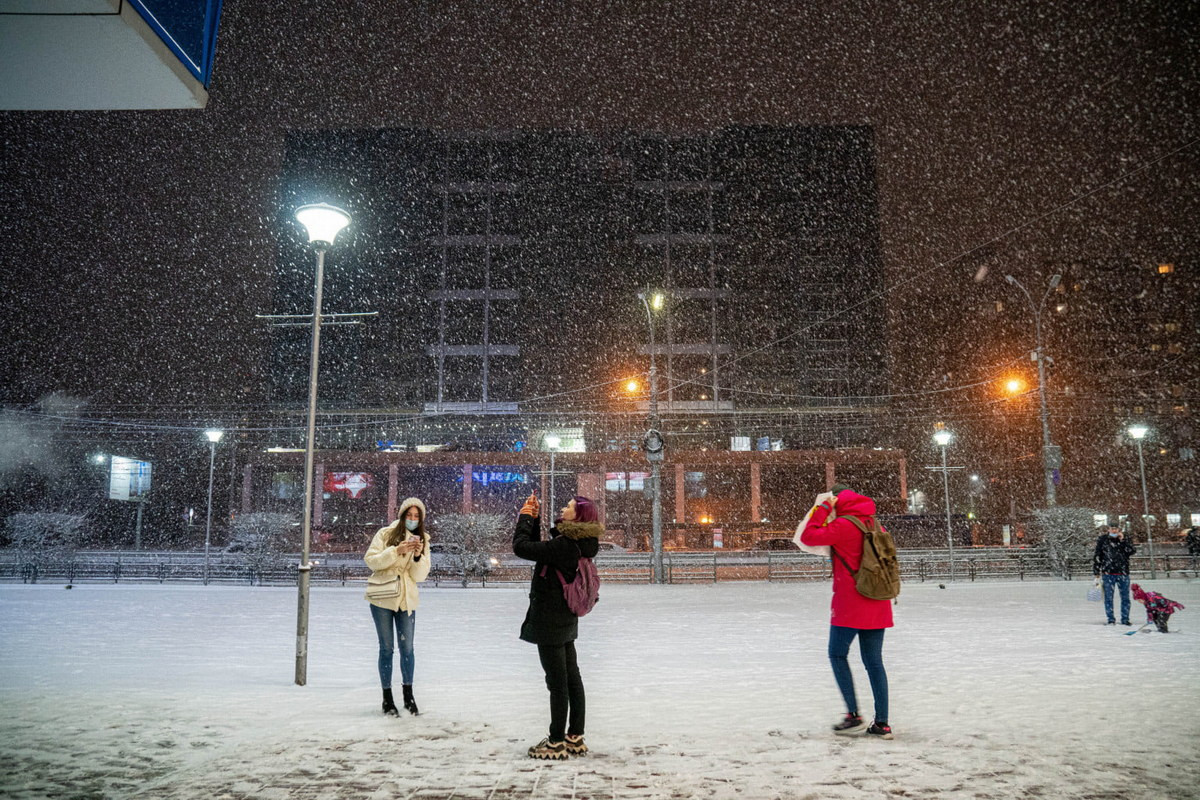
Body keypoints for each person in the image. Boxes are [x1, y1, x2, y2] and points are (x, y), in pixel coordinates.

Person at [800, 483, 894, 740]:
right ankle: (882, 723)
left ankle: (853, 715)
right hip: (878, 599)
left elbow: (809, 536)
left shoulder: (844, 525)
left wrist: (821, 510)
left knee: (837, 654)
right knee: (874, 662)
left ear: (836, 501)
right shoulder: (875, 524)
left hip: (851, 603)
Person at [513, 491, 601, 760]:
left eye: (570, 506)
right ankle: (575, 736)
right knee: (571, 677)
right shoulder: (578, 543)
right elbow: (540, 548)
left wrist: (525, 517)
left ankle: (555, 741)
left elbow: (521, 547)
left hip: (550, 620)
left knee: (558, 683)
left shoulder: (564, 546)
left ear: (579, 516)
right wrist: (535, 517)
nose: (565, 506)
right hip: (565, 619)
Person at [364, 497, 431, 716]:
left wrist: (418, 555)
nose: (412, 519)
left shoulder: (423, 539)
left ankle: (408, 696)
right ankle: (387, 699)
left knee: (408, 649)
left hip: (406, 599)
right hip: (382, 597)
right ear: (402, 516)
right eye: (409, 515)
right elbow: (371, 561)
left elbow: (419, 576)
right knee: (386, 648)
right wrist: (396, 550)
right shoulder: (385, 534)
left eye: (416, 516)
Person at [1092, 524, 1137, 626]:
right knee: (1108, 597)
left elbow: (1131, 551)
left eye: (1116, 529)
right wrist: (1096, 571)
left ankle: (1125, 619)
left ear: (1119, 530)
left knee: (1125, 598)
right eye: (1112, 528)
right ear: (1108, 529)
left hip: (1123, 572)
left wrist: (1123, 541)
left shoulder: (1125, 539)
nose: (1114, 530)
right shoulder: (1103, 540)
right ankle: (1111, 619)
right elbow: (1098, 555)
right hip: (1108, 573)